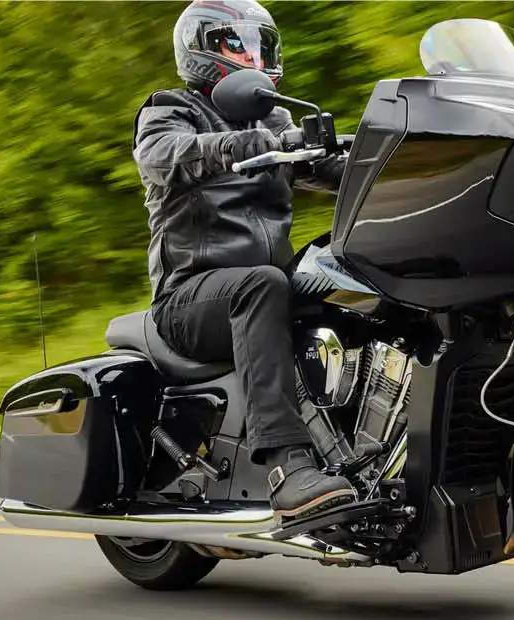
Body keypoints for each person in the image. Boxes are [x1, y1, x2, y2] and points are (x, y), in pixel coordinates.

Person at [132, 0, 353, 522]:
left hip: (262, 283)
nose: (250, 56)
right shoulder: (169, 110)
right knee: (263, 284)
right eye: (235, 44)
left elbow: (331, 173)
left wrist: (386, 162)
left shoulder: (272, 118)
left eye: (258, 45)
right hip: (190, 297)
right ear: (201, 50)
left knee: (345, 269)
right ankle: (286, 468)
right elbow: (164, 155)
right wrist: (260, 143)